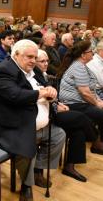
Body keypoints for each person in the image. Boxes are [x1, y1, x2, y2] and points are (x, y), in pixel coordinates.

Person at [0, 40, 65, 201]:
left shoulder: (34, 69)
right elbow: (15, 95)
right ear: (16, 55)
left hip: (34, 122)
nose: (33, 60)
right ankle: (26, 186)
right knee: (27, 146)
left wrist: (51, 90)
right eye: (29, 57)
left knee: (59, 135)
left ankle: (37, 170)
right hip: (9, 124)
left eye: (35, 57)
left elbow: (46, 84)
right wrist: (40, 93)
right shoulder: (4, 71)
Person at [35, 49, 97, 182]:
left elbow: (51, 97)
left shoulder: (43, 74)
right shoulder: (33, 75)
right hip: (46, 115)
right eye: (42, 61)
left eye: (47, 61)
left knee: (78, 130)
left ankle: (70, 166)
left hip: (53, 109)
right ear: (34, 62)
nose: (46, 64)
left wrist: (58, 104)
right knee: (80, 118)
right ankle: (94, 139)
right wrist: (57, 106)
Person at [58, 40, 103, 155]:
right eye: (90, 51)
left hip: (80, 102)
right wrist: (97, 103)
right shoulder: (78, 67)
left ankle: (97, 143)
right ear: (83, 55)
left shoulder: (82, 66)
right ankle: (97, 143)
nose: (93, 53)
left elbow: (90, 90)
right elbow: (85, 93)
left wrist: (98, 100)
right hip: (72, 104)